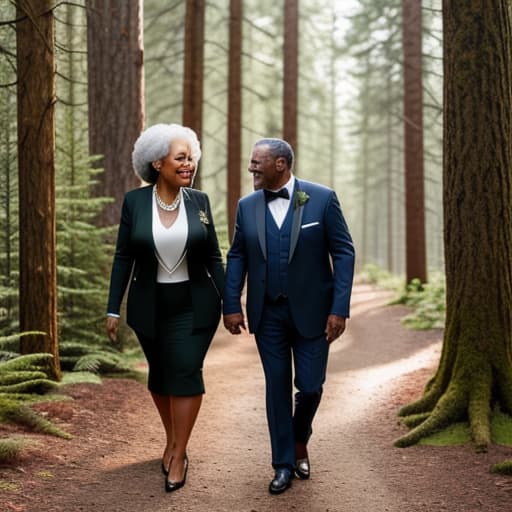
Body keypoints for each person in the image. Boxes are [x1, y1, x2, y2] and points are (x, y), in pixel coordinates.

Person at [223, 138, 355, 495]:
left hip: (315, 313)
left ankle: (299, 439)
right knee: (276, 388)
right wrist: (231, 303)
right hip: (267, 314)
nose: (251, 168)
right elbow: (237, 256)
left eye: (257, 162)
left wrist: (339, 308)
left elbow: (343, 252)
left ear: (280, 164)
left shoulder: (322, 199)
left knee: (310, 387)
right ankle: (282, 464)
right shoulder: (246, 206)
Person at [106, 123, 224, 493]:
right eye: (180, 158)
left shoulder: (199, 202)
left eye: (192, 158)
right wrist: (113, 308)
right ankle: (172, 440)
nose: (189, 164)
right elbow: (123, 256)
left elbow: (213, 257)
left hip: (196, 303)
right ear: (157, 163)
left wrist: (232, 303)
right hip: (149, 305)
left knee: (187, 371)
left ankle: (180, 454)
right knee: (159, 375)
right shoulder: (135, 202)